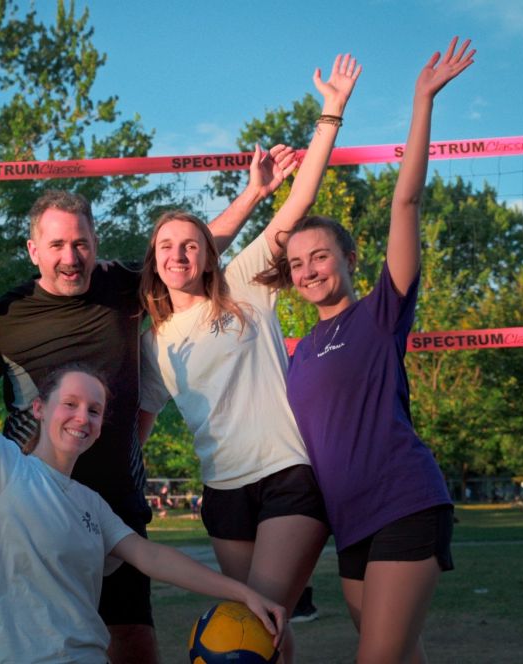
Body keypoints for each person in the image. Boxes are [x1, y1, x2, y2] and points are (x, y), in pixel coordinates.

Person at [0, 243, 288, 663]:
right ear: (40, 407)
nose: (82, 417)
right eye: (70, 404)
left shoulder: (92, 506)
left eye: (94, 410)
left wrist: (241, 593)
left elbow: (155, 560)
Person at [0, 148, 293, 662]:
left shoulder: (121, 286)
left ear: (95, 243)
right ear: (34, 250)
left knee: (133, 641)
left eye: (80, 243)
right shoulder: (4, 318)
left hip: (117, 503)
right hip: (36, 506)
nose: (70, 256)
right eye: (57, 245)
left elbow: (193, 253)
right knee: (36, 641)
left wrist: (254, 192)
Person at [138, 53, 360, 663]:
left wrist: (330, 112)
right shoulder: (152, 338)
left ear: (208, 256)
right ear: (154, 259)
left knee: (252, 620)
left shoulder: (244, 285)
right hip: (223, 492)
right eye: (166, 246)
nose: (179, 254)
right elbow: (142, 421)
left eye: (191, 245)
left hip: (289, 473)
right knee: (271, 631)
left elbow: (301, 198)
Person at [263, 38, 474, 663]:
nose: (307, 270)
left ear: (348, 260)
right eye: (297, 263)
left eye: (320, 256)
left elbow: (405, 200)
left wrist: (422, 99)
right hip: (349, 524)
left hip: (404, 502)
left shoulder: (380, 314)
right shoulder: (300, 351)